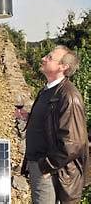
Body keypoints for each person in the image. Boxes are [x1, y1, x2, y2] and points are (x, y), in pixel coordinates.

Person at [22, 45, 88, 203]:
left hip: (50, 170)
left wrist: (46, 165)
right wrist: (30, 117)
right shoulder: (48, 90)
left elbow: (74, 142)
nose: (43, 58)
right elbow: (52, 120)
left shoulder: (69, 97)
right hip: (40, 165)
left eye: (50, 57)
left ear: (63, 66)